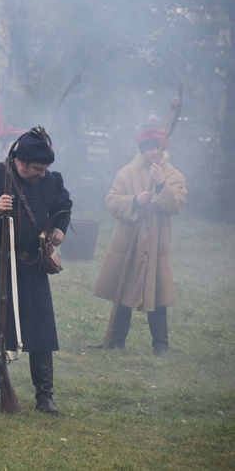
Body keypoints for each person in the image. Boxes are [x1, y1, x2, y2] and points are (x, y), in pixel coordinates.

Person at [0, 126, 72, 415]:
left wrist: (58, 227)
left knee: (41, 331)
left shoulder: (50, 181)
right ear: (20, 162)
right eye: (37, 168)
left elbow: (63, 205)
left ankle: (45, 397)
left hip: (31, 265)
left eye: (45, 168)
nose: (42, 173)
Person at [92, 128, 187, 355]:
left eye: (158, 147)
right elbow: (112, 201)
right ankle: (115, 340)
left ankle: (161, 346)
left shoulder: (173, 175)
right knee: (124, 288)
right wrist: (135, 200)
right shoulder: (127, 173)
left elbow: (177, 204)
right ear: (142, 149)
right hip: (129, 243)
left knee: (157, 292)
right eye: (150, 148)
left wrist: (161, 184)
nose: (154, 152)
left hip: (156, 245)